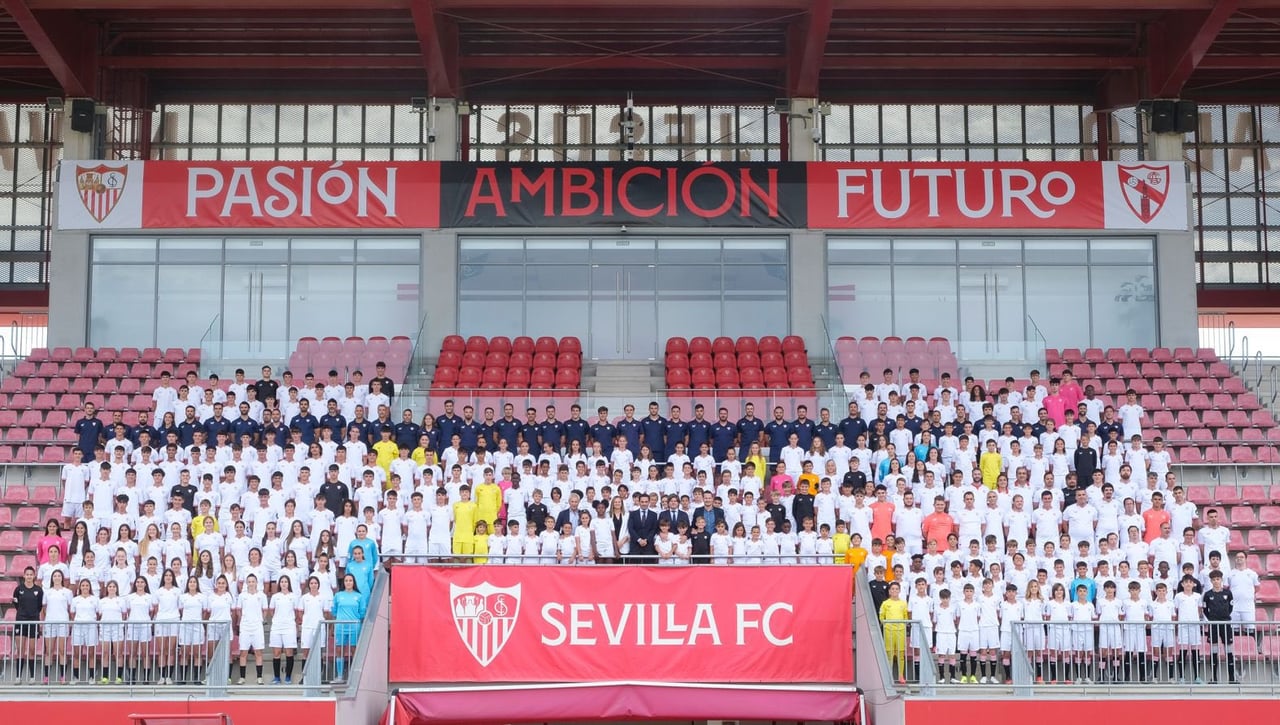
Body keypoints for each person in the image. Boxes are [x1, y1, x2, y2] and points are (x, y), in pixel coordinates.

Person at [1202, 569, 1237, 684]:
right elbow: (1205, 610)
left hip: (1226, 624)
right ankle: (1214, 678)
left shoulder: (1228, 593)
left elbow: (1230, 607)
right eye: (1214, 579)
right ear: (1211, 581)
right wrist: (1212, 619)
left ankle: (1232, 678)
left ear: (1221, 580)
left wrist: (1224, 617)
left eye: (1218, 579)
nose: (1216, 581)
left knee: (1229, 651)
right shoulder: (1208, 595)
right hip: (1213, 625)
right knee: (1214, 651)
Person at [331, 573, 366, 683]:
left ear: (353, 582)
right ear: (344, 582)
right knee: (339, 649)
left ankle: (354, 676)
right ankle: (340, 676)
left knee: (353, 650)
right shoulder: (338, 595)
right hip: (340, 626)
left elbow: (362, 612)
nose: (348, 583)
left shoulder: (359, 596)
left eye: (350, 580)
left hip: (354, 626)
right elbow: (334, 611)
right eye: (346, 580)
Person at [268, 575, 301, 684]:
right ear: (279, 584)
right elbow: (272, 611)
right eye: (281, 581)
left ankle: (288, 677)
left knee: (289, 652)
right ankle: (277, 677)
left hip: (289, 627)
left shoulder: (294, 596)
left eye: (286, 581)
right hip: (277, 626)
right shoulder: (275, 596)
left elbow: (296, 611)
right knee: (276, 652)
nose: (283, 583)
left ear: (289, 583)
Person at [879, 581, 909, 684]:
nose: (894, 591)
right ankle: (889, 676)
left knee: (900, 653)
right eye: (892, 589)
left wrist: (902, 626)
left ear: (899, 590)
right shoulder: (885, 603)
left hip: (900, 631)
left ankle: (901, 675)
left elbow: (905, 616)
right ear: (889, 591)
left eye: (896, 589)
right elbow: (881, 617)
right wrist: (886, 625)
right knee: (889, 653)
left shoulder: (903, 603)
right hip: (889, 631)